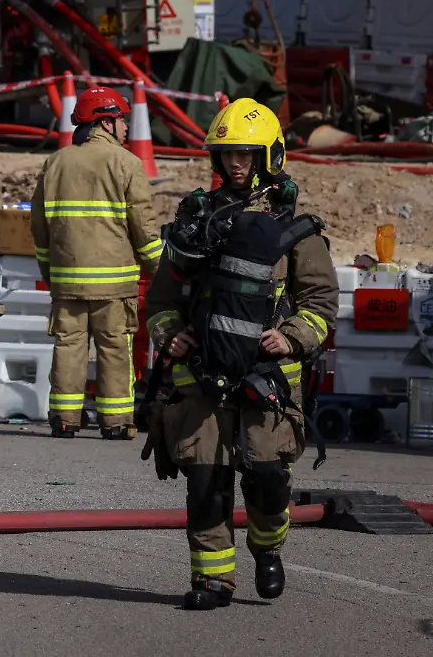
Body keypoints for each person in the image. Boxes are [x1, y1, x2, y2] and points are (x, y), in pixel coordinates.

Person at [140, 98, 337, 610]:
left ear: (270, 155)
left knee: (268, 479)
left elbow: (320, 301)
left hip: (267, 373)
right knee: (206, 479)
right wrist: (171, 335)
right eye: (227, 154)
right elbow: (161, 300)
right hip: (202, 373)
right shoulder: (195, 219)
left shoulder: (294, 227)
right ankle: (212, 580)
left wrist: (292, 336)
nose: (236, 164)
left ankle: (268, 547)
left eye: (247, 153)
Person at [30, 86, 162, 439]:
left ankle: (64, 419)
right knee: (115, 348)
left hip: (67, 282)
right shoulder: (128, 164)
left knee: (69, 347)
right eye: (121, 121)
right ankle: (116, 423)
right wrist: (161, 272)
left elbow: (39, 228)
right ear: (105, 122)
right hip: (114, 285)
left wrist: (50, 271)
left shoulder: (55, 163)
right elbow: (144, 228)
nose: (125, 129)